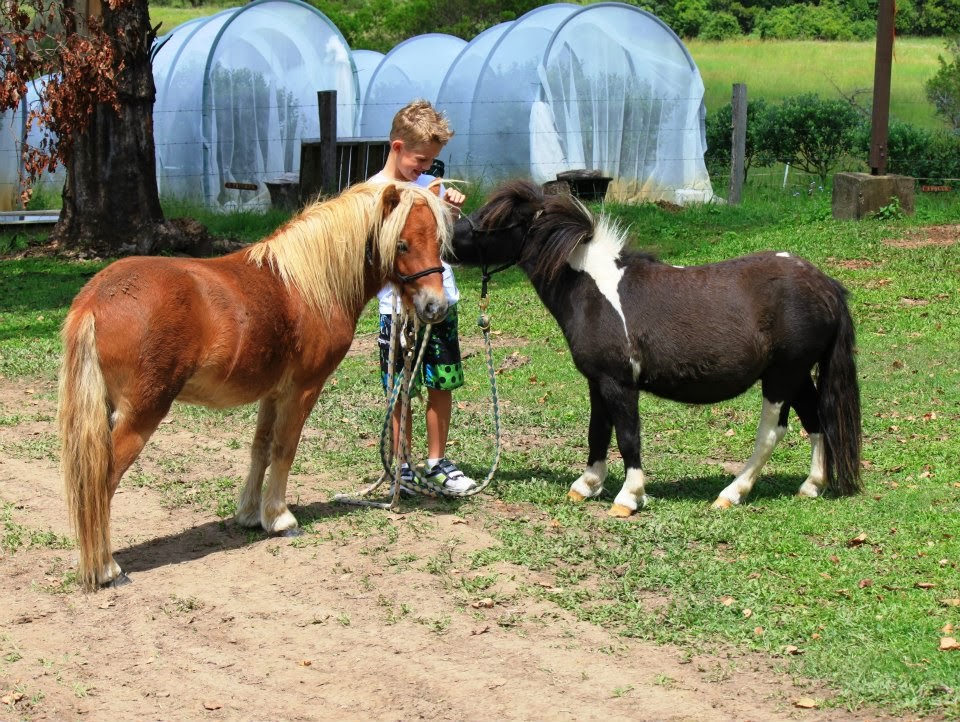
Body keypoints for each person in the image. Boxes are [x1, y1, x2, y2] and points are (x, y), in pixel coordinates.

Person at [370, 99, 476, 493]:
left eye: (432, 160)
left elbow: (442, 241)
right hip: (396, 307)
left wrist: (448, 211)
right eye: (420, 159)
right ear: (397, 148)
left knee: (441, 381)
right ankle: (403, 464)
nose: (425, 168)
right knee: (400, 388)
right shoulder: (375, 194)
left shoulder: (431, 188)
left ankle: (436, 461)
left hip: (440, 299)